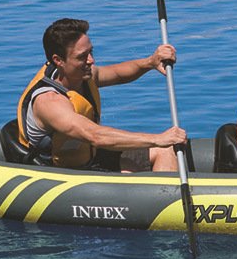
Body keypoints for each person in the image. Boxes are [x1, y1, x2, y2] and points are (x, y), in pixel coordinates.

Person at [17, 18, 186, 171]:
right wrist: (158, 139)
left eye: (91, 52)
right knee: (156, 149)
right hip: (63, 173)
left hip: (91, 159)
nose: (91, 60)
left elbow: (118, 74)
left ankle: (167, 194)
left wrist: (150, 62)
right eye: (82, 57)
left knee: (165, 151)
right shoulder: (49, 102)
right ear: (58, 60)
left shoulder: (82, 75)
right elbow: (95, 135)